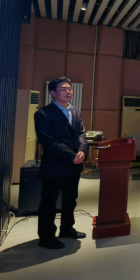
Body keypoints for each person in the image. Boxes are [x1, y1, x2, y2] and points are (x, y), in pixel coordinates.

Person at [34, 77, 88, 249]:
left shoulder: (76, 111)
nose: (68, 92)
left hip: (74, 164)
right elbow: (48, 141)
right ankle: (46, 237)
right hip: (55, 164)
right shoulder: (43, 114)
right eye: (63, 89)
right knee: (49, 202)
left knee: (70, 199)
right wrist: (71, 155)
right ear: (52, 93)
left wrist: (82, 150)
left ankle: (67, 228)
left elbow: (81, 133)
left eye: (69, 89)